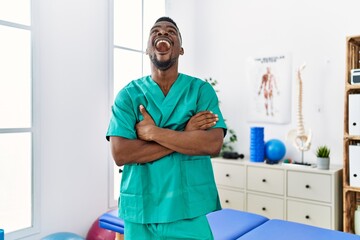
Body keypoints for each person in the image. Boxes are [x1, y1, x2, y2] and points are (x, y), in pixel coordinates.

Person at [106, 16, 227, 239]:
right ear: (147, 49)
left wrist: (154, 133)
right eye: (156, 31)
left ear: (181, 49)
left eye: (171, 31)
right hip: (141, 210)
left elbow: (212, 144)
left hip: (187, 211)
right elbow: (122, 153)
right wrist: (186, 136)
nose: (163, 33)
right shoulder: (128, 96)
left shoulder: (200, 91)